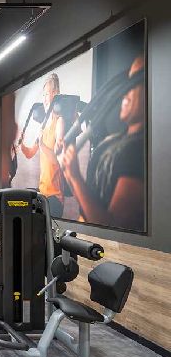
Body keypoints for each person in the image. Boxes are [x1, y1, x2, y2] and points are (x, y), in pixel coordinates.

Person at [61, 56, 145, 230]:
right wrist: (71, 174)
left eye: (135, 82)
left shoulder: (139, 150)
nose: (125, 92)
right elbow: (92, 198)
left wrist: (75, 177)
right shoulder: (116, 140)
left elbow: (114, 227)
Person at [18, 73, 65, 217]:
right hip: (43, 193)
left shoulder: (59, 122)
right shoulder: (43, 125)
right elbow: (30, 153)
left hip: (54, 196)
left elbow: (57, 160)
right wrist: (21, 144)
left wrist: (42, 144)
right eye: (43, 95)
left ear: (55, 94)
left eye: (47, 94)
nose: (44, 99)